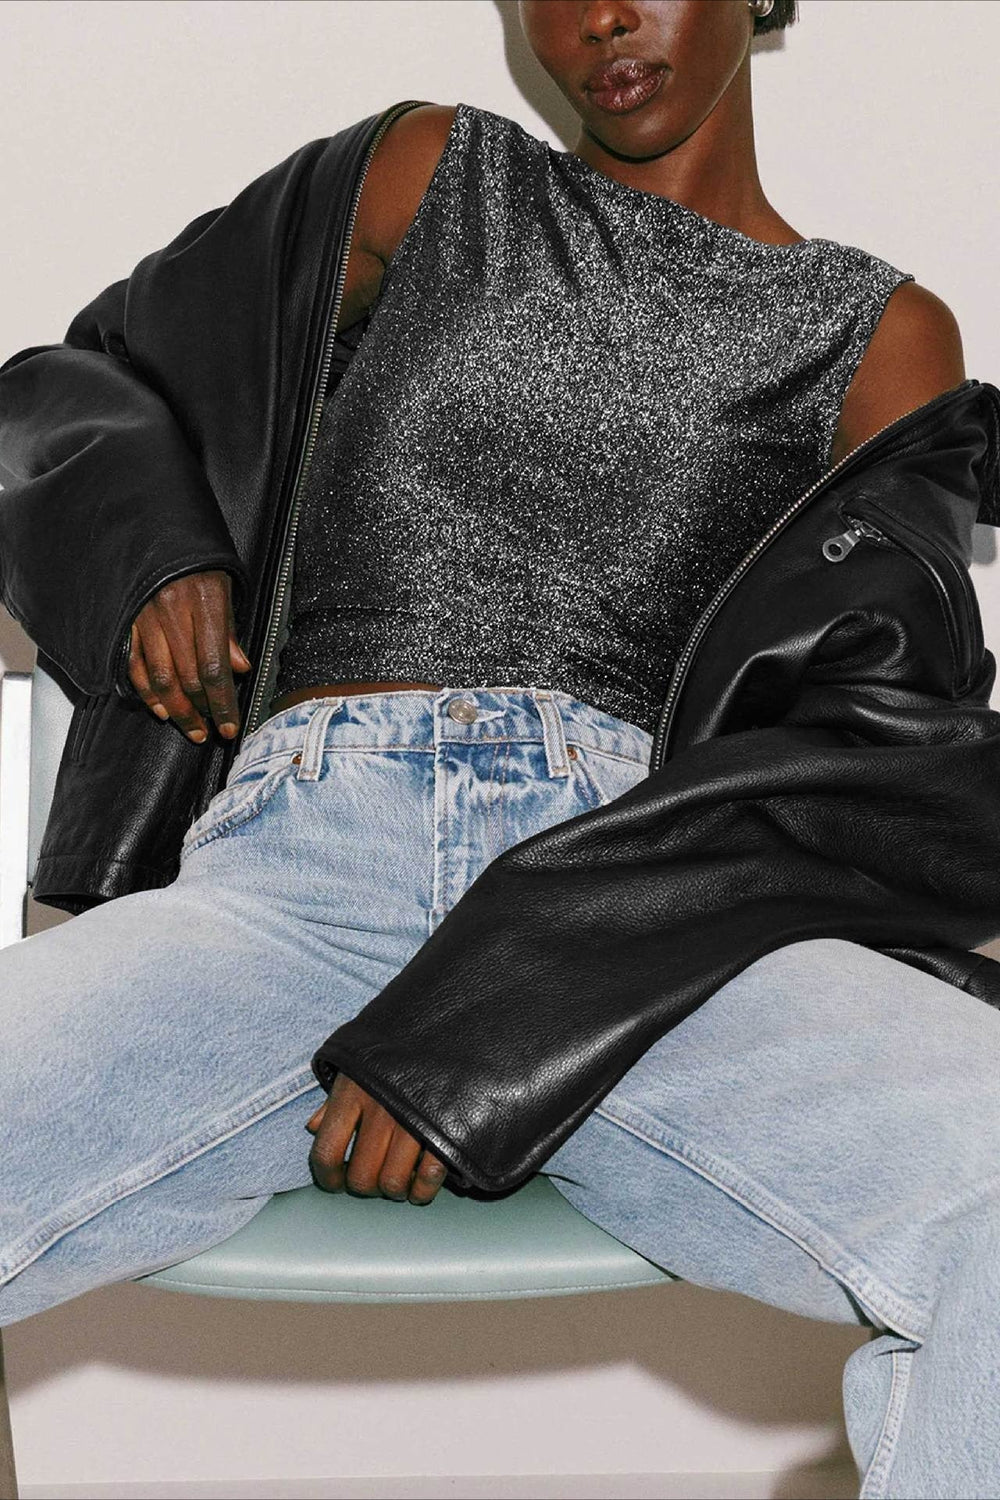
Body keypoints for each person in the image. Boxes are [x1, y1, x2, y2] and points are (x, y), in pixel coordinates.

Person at [1, 2, 998, 1496]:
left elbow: (873, 765)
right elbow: (75, 378)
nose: (602, 14)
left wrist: (508, 1008)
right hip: (293, 887)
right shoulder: (429, 174)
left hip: (636, 933)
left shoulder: (882, 334)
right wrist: (149, 546)